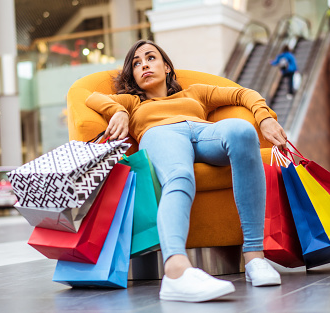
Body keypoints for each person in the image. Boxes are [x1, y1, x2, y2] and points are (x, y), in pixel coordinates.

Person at [86, 40, 287, 302]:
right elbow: (91, 97)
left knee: (242, 131)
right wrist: (119, 111)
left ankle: (254, 258)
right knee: (180, 177)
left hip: (203, 132)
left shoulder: (194, 93)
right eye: (137, 63)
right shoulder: (132, 102)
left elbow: (242, 94)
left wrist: (264, 116)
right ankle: (176, 272)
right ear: (133, 75)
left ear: (167, 67)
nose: (144, 64)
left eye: (151, 58)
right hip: (160, 134)